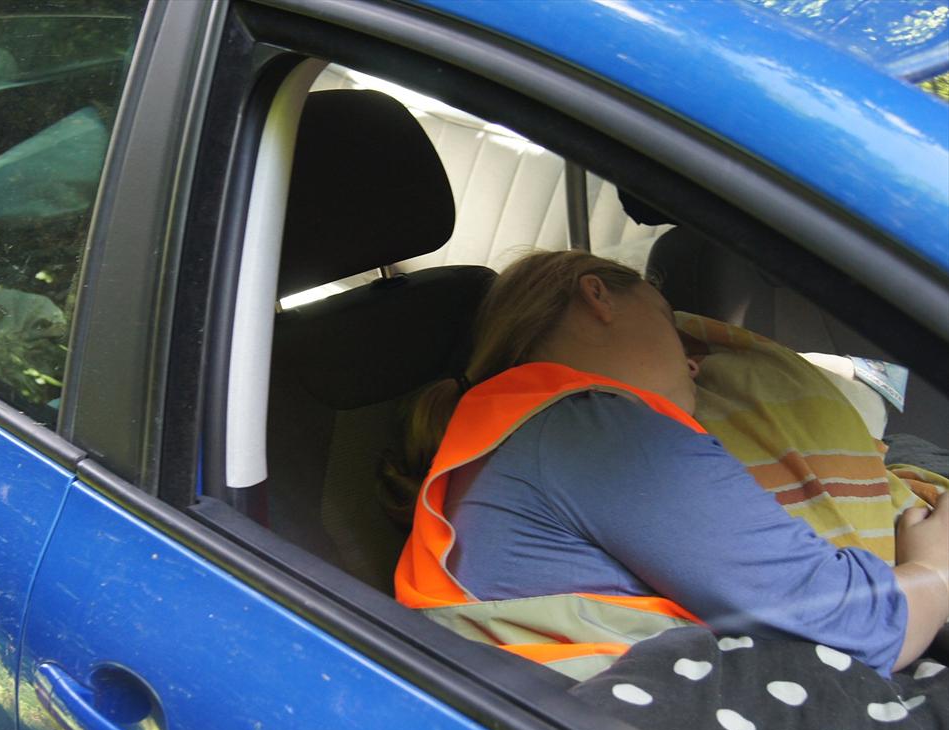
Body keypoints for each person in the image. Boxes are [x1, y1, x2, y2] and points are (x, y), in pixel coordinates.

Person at [388, 249, 949, 681]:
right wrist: (934, 569)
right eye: (669, 323)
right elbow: (857, 628)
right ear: (598, 297)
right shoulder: (596, 433)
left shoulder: (519, 430)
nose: (694, 364)